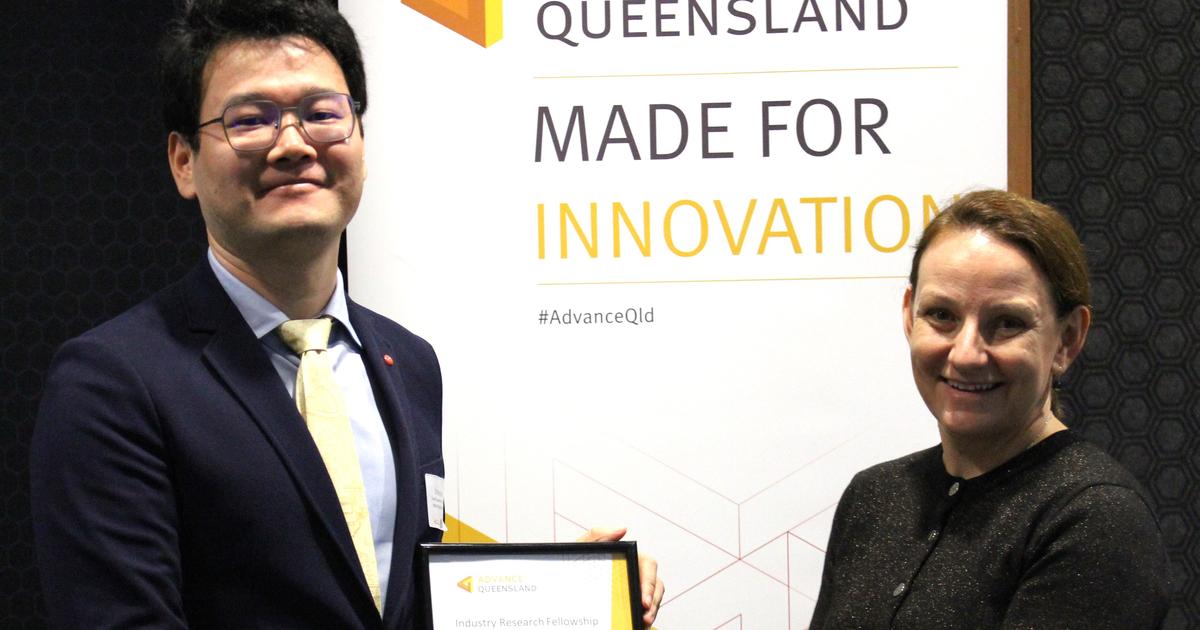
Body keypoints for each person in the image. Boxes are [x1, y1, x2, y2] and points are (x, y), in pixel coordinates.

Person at [29, 1, 662, 628]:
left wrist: (569, 607)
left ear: (360, 136)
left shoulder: (408, 362)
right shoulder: (112, 381)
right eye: (251, 120)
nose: (294, 144)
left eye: (322, 113)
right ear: (183, 162)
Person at [809, 190, 1170, 629]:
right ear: (909, 316)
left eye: (1007, 323)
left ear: (1068, 339)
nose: (966, 354)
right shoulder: (874, 498)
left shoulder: (1095, 520)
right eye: (941, 315)